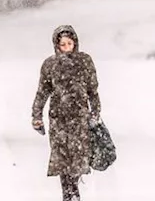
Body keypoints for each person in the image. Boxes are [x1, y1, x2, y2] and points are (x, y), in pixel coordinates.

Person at [31, 24, 101, 201]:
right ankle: (68, 194)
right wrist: (36, 116)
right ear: (56, 45)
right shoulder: (50, 65)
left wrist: (95, 113)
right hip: (58, 119)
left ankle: (73, 190)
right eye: (63, 44)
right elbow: (42, 91)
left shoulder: (84, 61)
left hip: (80, 118)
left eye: (70, 43)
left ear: (75, 43)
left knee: (78, 158)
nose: (67, 48)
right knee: (62, 159)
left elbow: (93, 90)